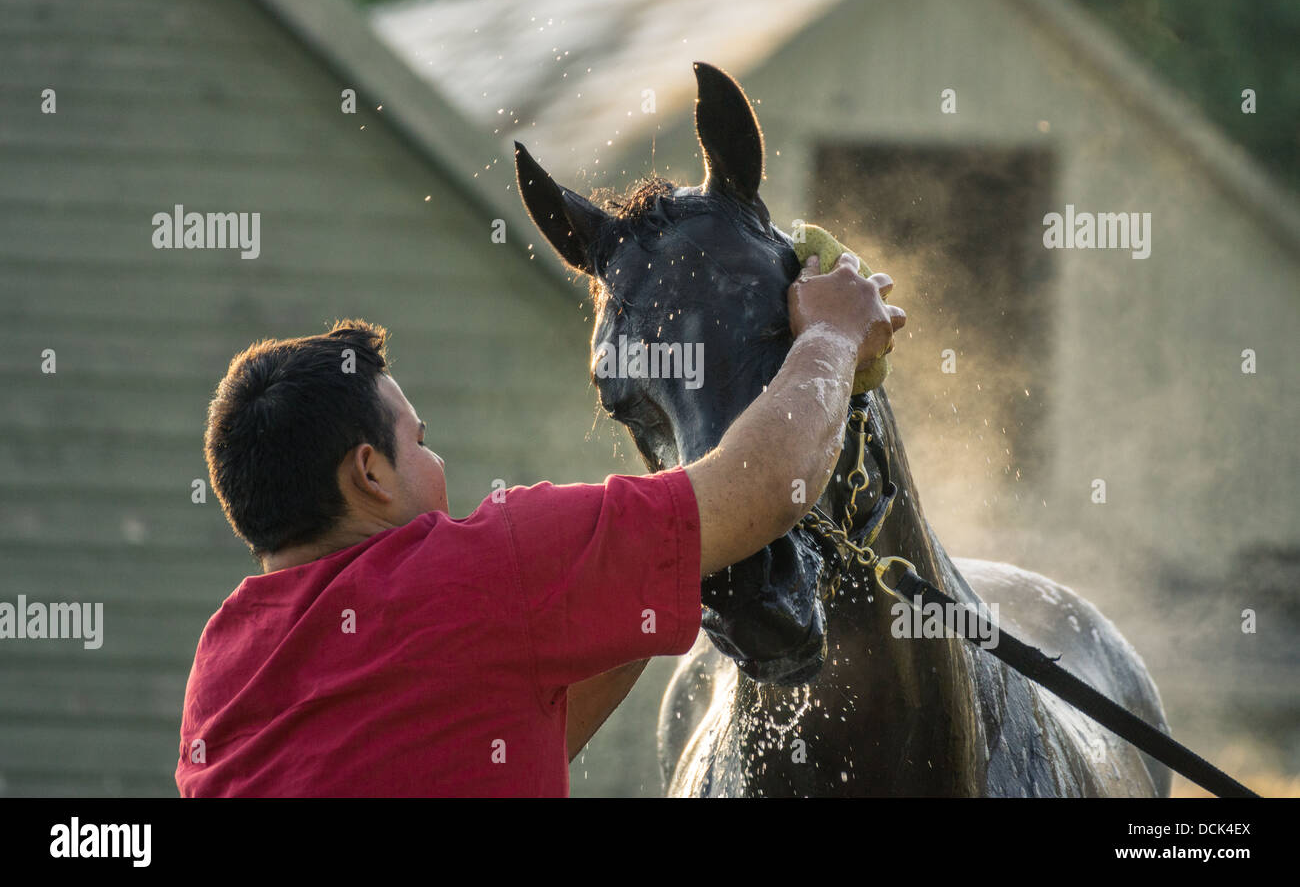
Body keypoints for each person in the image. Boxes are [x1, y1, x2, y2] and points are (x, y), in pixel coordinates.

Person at [175, 251, 904, 796]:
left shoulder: (223, 668)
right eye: (420, 442)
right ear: (369, 474)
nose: (437, 463)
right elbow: (773, 484)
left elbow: (479, 731)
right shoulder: (483, 571)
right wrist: (834, 335)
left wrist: (639, 589)